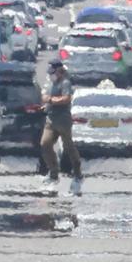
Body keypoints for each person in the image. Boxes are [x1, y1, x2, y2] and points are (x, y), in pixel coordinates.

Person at [40, 59, 82, 187]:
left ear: (59, 70)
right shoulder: (52, 83)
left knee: (68, 147)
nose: (51, 74)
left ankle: (77, 173)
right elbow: (44, 96)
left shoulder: (65, 83)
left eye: (53, 72)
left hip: (63, 120)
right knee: (45, 144)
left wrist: (51, 100)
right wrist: (47, 103)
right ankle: (53, 173)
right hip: (51, 119)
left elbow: (66, 98)